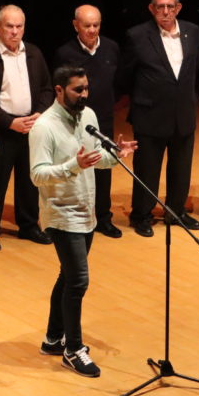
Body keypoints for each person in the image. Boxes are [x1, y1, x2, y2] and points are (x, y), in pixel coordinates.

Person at [29, 65, 136, 378]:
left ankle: (52, 339)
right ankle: (72, 350)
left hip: (85, 210)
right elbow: (37, 174)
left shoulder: (88, 116)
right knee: (78, 281)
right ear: (59, 90)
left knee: (68, 275)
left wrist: (116, 154)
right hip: (61, 213)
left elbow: (96, 158)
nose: (84, 95)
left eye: (86, 88)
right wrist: (71, 166)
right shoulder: (44, 127)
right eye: (78, 89)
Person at [118, 0, 199, 237]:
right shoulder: (137, 35)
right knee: (148, 169)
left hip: (183, 114)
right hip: (150, 114)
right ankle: (141, 214)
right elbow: (125, 75)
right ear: (152, 9)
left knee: (181, 168)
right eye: (160, 7)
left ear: (178, 8)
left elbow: (193, 70)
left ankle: (176, 211)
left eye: (170, 7)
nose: (165, 12)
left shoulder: (193, 31)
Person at [0, 5, 54, 251]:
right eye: (9, 26)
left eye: (19, 26)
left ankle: (29, 225)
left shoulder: (34, 53)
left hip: (31, 126)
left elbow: (47, 89)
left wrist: (38, 114)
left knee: (30, 180)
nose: (15, 32)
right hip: (2, 129)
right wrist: (10, 122)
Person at [54, 4, 124, 238]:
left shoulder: (112, 48)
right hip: (74, 122)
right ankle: (75, 217)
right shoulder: (65, 53)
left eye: (96, 25)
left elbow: (117, 82)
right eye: (87, 25)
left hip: (103, 120)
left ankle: (103, 217)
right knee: (77, 169)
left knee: (104, 170)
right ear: (76, 25)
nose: (92, 30)